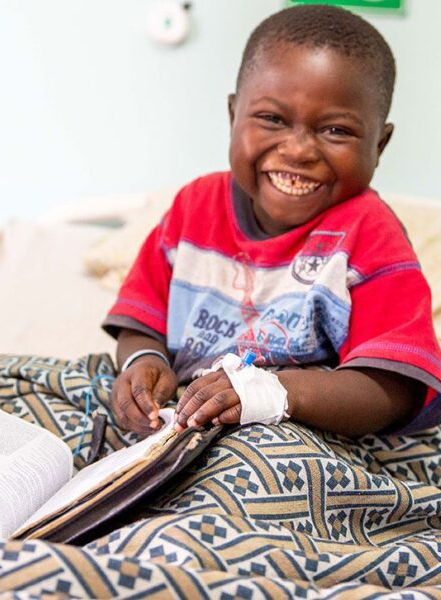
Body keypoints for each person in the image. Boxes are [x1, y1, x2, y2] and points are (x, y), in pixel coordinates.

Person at [102, 4, 441, 439]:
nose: (298, 150)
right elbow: (140, 324)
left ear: (380, 144)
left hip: (294, 427)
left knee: (272, 455)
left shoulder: (370, 235)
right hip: (180, 412)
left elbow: (391, 390)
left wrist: (274, 393)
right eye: (273, 119)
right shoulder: (195, 207)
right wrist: (141, 365)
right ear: (232, 116)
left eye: (336, 130)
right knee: (58, 385)